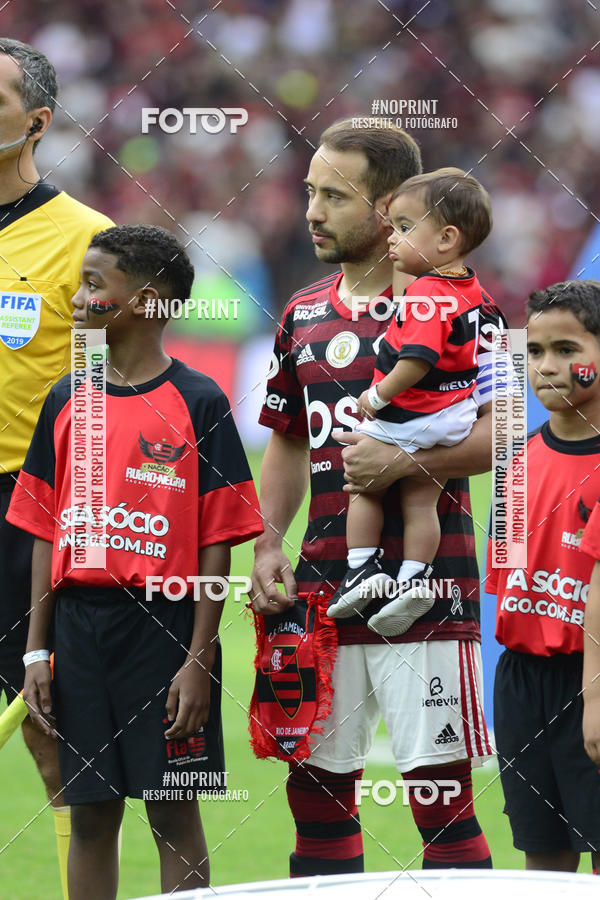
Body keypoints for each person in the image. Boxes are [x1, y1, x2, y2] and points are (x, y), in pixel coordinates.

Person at [252, 120, 501, 876]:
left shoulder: (461, 307)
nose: (313, 212)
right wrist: (268, 543)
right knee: (318, 810)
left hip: (429, 594)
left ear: (390, 203)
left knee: (442, 808)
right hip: (322, 593)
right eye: (309, 193)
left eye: (334, 195)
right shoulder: (301, 312)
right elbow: (289, 440)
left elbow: (508, 437)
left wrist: (399, 464)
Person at [7, 225, 263, 899]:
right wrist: (37, 653)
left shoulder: (200, 401)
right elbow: (42, 527)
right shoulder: (67, 397)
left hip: (165, 630)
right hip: (78, 632)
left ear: (147, 302)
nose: (79, 298)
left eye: (95, 285)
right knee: (90, 815)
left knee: (174, 815)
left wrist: (199, 658)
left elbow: (219, 538)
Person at [0, 36, 113, 897]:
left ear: (35, 121)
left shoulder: (88, 241)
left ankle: (82, 854)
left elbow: (117, 392)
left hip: (26, 502)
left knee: (48, 713)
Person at [328, 169, 493, 637]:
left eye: (403, 227)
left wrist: (376, 396)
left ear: (446, 239)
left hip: (413, 412)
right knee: (422, 502)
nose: (391, 237)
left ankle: (361, 569)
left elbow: (417, 358)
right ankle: (415, 578)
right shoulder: (478, 295)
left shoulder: (423, 292)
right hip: (452, 416)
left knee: (363, 482)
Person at [487, 280, 600, 873]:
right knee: (543, 867)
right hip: (523, 684)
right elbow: (508, 585)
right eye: (533, 351)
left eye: (566, 349)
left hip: (594, 679)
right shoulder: (517, 458)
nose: (547, 366)